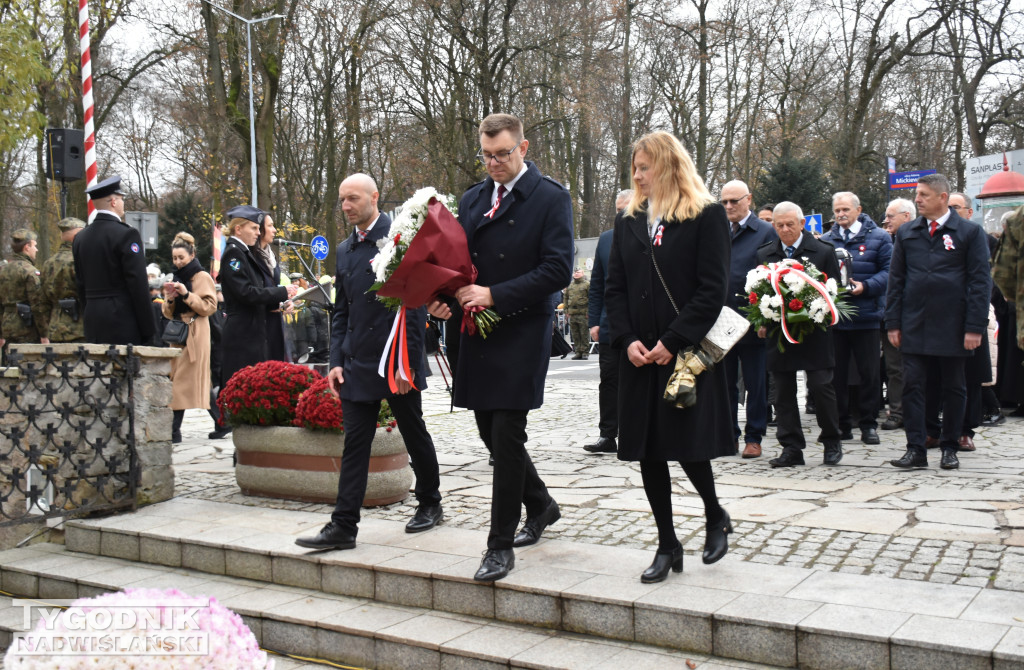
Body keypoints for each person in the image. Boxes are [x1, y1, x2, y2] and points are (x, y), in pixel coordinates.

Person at [427, 113, 573, 582]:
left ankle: (499, 545)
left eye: (503, 154)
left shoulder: (550, 198)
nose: (494, 163)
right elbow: (457, 266)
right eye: (487, 155)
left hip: (521, 329)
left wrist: (496, 294)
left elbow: (557, 270)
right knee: (490, 431)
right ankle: (543, 504)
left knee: (506, 437)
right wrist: (442, 299)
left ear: (523, 148)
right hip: (475, 331)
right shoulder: (471, 199)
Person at [604, 131, 733, 584]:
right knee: (648, 451)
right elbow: (615, 287)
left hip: (684, 353)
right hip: (640, 355)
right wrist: (625, 339)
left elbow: (712, 289)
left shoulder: (707, 215)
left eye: (645, 167)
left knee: (687, 444)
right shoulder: (629, 219)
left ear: (669, 165)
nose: (637, 176)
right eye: (634, 168)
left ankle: (715, 515)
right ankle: (667, 543)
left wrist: (674, 339)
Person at [295, 173, 443, 551]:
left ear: (374, 197)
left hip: (396, 360)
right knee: (355, 444)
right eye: (343, 199)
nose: (347, 206)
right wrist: (336, 360)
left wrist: (406, 363)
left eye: (354, 198)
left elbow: (412, 307)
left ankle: (430, 502)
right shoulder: (344, 250)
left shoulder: (401, 238)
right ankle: (344, 525)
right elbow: (340, 311)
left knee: (413, 431)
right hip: (358, 362)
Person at [886, 173, 991, 470]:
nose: (917, 199)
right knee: (913, 386)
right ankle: (916, 448)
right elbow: (897, 280)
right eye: (917, 194)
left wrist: (974, 326)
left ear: (942, 198)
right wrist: (893, 322)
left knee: (954, 387)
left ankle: (949, 446)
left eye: (923, 195)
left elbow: (980, 282)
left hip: (954, 326)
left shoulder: (969, 233)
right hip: (914, 324)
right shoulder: (907, 233)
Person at [758, 202, 844, 467]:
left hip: (815, 332)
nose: (784, 230)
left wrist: (819, 311)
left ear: (802, 224)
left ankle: (831, 440)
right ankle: (791, 447)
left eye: (789, 225)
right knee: (783, 391)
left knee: (821, 386)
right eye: (779, 225)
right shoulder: (766, 253)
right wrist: (762, 320)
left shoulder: (822, 251)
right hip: (779, 334)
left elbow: (835, 290)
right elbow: (758, 291)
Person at [821, 191, 892, 446]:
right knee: (836, 375)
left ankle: (868, 424)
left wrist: (867, 286)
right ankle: (841, 424)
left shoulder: (880, 238)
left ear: (858, 209)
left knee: (869, 374)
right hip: (837, 319)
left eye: (845, 210)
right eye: (837, 210)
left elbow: (889, 272)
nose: (840, 214)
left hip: (867, 316)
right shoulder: (827, 240)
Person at [721, 180, 776, 459]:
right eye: (725, 202)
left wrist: (767, 318)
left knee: (755, 383)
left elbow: (773, 275)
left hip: (754, 320)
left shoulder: (766, 231)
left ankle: (754, 436)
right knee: (725, 381)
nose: (729, 207)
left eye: (735, 201)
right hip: (722, 319)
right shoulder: (717, 230)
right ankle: (729, 435)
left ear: (749, 200)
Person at [218, 205, 298, 392]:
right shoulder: (234, 253)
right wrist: (281, 292)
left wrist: (278, 302)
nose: (258, 232)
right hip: (242, 333)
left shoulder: (243, 252)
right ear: (239, 228)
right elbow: (246, 292)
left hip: (251, 332)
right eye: (253, 228)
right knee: (238, 389)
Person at [73, 176, 156, 345]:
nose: (123, 203)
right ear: (113, 201)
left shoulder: (80, 238)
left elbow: (80, 283)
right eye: (121, 199)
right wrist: (149, 329)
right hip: (121, 318)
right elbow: (137, 283)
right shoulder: (126, 234)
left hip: (93, 317)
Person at [583, 189, 632, 454]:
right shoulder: (606, 240)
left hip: (638, 324)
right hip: (609, 324)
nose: (622, 215)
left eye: (627, 210)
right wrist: (594, 321)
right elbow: (598, 284)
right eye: (618, 210)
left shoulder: (647, 235)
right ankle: (607, 434)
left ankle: (634, 431)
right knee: (609, 380)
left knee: (635, 381)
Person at [162, 232, 218, 444]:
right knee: (196, 380)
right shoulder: (176, 277)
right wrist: (169, 300)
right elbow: (167, 314)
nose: (177, 262)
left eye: (181, 258)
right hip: (178, 333)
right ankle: (222, 421)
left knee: (181, 382)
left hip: (196, 332)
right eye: (175, 258)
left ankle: (173, 431)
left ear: (192, 255)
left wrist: (186, 295)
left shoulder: (201, 277)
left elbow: (210, 307)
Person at [879, 198, 916, 430]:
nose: (886, 220)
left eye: (891, 216)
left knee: (910, 366)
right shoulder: (887, 241)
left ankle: (912, 411)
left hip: (913, 314)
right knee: (893, 366)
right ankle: (897, 410)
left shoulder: (918, 241)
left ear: (907, 216)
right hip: (888, 312)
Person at [38, 217, 87, 343]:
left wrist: (46, 327)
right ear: (77, 236)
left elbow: (42, 302)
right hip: (80, 328)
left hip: (55, 328)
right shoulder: (80, 260)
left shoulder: (48, 263)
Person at [0, 228, 48, 357]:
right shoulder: (30, 272)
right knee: (29, 368)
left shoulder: (3, 270)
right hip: (27, 328)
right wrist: (44, 334)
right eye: (34, 246)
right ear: (27, 247)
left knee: (9, 369)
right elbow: (37, 306)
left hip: (7, 327)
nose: (36, 250)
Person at [564, 268, 590, 359]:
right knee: (575, 334)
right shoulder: (570, 285)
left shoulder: (587, 284)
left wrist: (589, 311)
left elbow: (591, 298)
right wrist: (566, 311)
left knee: (584, 333)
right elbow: (566, 298)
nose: (576, 274)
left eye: (578, 272)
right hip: (573, 313)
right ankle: (578, 351)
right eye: (575, 272)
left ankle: (585, 352)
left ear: (583, 273)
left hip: (583, 313)